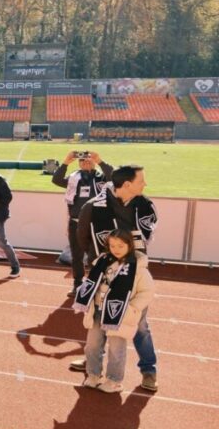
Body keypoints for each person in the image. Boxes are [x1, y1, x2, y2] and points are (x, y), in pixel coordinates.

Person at [74, 164, 160, 391]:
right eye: (142, 181)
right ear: (128, 185)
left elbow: (145, 239)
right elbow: (83, 238)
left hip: (133, 274)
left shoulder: (144, 206)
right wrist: (95, 265)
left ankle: (149, 370)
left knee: (138, 325)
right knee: (97, 324)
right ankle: (93, 366)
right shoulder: (93, 207)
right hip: (102, 272)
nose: (145, 185)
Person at [73, 229, 155, 393]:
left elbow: (146, 292)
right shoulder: (102, 262)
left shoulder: (138, 267)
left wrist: (132, 309)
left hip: (119, 314)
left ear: (130, 246)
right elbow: (92, 282)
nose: (116, 249)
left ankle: (114, 380)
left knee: (117, 349)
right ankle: (93, 375)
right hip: (97, 310)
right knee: (92, 345)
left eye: (121, 245)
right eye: (112, 245)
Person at [52, 150, 114, 295]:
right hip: (76, 222)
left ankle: (95, 283)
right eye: (82, 160)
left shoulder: (101, 177)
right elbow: (56, 180)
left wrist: (99, 160)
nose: (85, 161)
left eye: (88, 159)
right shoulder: (74, 178)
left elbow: (114, 177)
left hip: (96, 223)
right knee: (77, 255)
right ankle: (78, 284)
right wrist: (66, 162)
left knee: (96, 255)